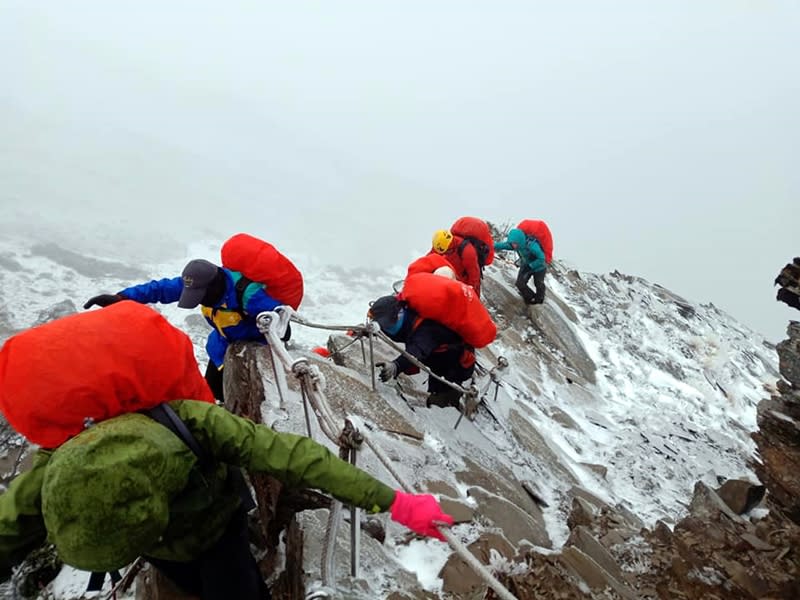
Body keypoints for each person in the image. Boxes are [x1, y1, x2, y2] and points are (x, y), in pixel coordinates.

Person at [0, 335, 453, 600]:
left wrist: (394, 502)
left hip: (215, 535)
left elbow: (297, 456)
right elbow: (8, 526)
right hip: (189, 540)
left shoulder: (191, 422)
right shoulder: (59, 468)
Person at [84, 259, 287, 400]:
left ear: (214, 286)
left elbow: (282, 322)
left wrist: (279, 329)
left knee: (244, 406)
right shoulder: (196, 284)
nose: (196, 299)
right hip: (220, 350)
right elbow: (159, 289)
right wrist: (121, 298)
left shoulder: (250, 295)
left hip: (252, 357)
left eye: (199, 296)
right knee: (213, 396)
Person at [368, 295, 475, 409]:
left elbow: (416, 351)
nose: (387, 327)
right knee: (436, 385)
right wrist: (367, 331)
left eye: (388, 324)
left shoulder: (426, 330)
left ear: (399, 314)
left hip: (455, 364)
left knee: (442, 396)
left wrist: (396, 366)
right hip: (437, 356)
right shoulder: (405, 316)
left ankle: (456, 402)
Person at [494, 228, 547, 305]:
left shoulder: (532, 245)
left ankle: (539, 300)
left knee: (538, 283)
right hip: (526, 265)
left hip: (539, 267)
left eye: (515, 243)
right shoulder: (516, 245)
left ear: (520, 241)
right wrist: (491, 245)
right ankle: (529, 298)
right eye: (512, 243)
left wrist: (531, 266)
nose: (513, 245)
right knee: (520, 284)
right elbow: (503, 245)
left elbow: (542, 258)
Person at [430, 229, 484, 296]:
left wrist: (469, 293)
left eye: (447, 252)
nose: (445, 254)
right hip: (455, 282)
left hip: (467, 284)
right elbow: (430, 257)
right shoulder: (442, 244)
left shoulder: (467, 251)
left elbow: (474, 275)